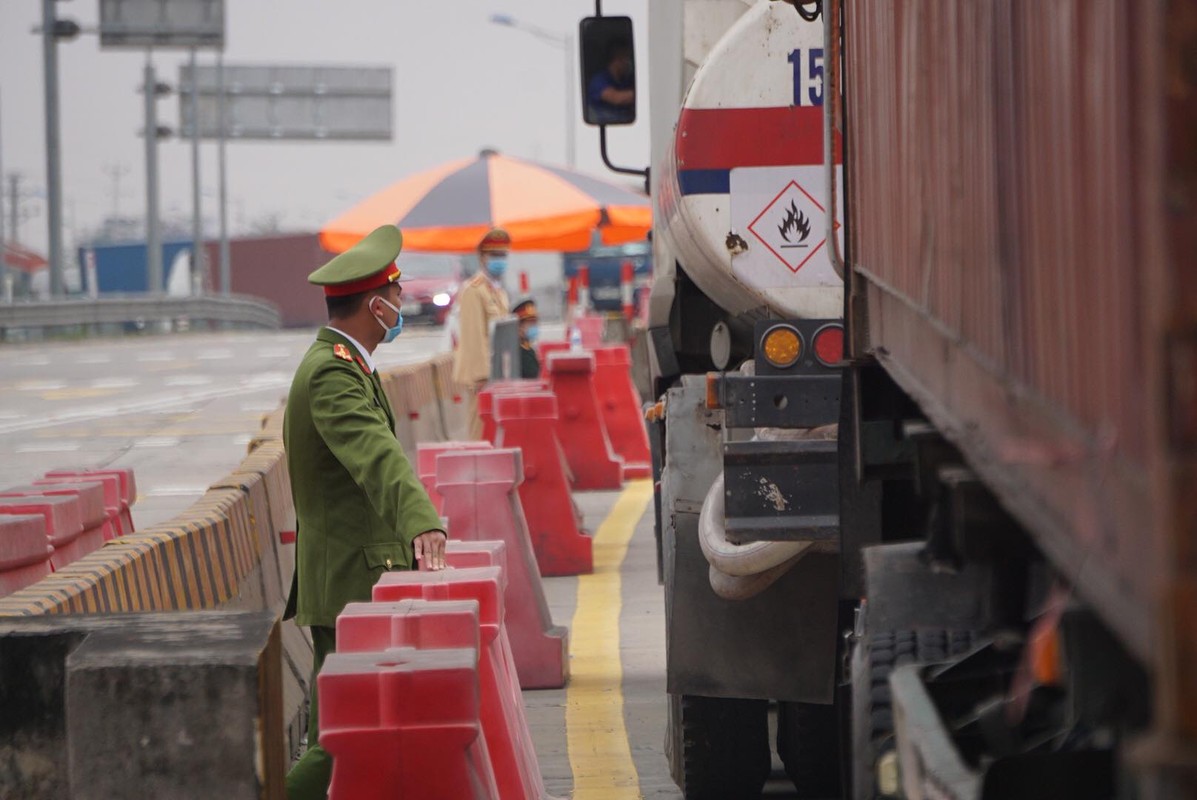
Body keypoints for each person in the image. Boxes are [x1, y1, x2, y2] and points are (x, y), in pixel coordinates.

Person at [282, 224, 447, 800]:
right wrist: (421, 519)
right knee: (340, 740)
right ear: (375, 305)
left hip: (355, 573)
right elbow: (376, 454)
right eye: (396, 297)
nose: (402, 306)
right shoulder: (331, 372)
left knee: (345, 733)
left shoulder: (345, 362)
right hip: (351, 577)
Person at [452, 228, 511, 438]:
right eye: (495, 255)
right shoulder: (473, 290)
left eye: (503, 255)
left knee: (496, 430)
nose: (500, 260)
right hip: (482, 377)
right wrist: (482, 377)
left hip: (498, 373)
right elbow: (473, 337)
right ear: (482, 257)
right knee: (481, 430)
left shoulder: (498, 291)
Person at [587, 39, 635, 124]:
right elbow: (617, 98)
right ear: (618, 59)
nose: (629, 62)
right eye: (627, 58)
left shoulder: (626, 80)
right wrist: (643, 94)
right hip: (604, 126)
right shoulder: (598, 80)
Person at [512, 298, 541, 379]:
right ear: (519, 326)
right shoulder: (516, 352)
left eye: (535, 322)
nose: (534, 326)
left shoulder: (528, 349)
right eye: (530, 323)